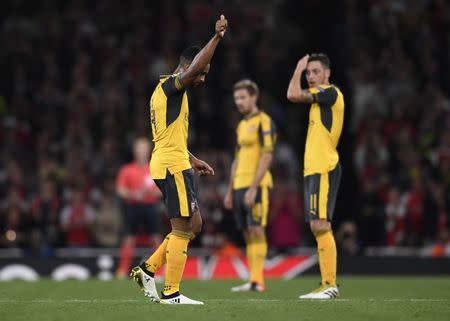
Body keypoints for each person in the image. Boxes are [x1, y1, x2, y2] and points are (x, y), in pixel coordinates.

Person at [129, 15, 228, 305]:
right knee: (182, 229)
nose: (203, 77)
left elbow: (169, 136)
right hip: (171, 165)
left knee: (194, 225)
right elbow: (195, 66)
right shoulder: (172, 85)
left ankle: (147, 270)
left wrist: (193, 158)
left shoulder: (166, 93)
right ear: (187, 67)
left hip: (174, 160)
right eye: (201, 72)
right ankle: (171, 291)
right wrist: (217, 38)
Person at [287, 53, 344, 299]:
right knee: (317, 225)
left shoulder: (330, 93)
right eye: (308, 72)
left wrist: (298, 68)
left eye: (314, 71)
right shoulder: (319, 102)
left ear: (327, 73)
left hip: (323, 168)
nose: (310, 76)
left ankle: (330, 284)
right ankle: (327, 284)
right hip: (314, 169)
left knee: (321, 225)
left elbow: (291, 95)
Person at [224, 79, 276, 292]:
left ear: (254, 97)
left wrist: (254, 187)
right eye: (236, 98)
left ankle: (258, 280)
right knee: (246, 232)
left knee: (256, 230)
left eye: (243, 97)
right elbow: (236, 159)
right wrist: (230, 190)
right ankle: (253, 279)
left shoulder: (264, 121)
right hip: (239, 185)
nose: (239, 102)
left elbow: (267, 155)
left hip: (258, 185)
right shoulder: (241, 125)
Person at [115, 137, 162, 278]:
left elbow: (162, 190)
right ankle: (122, 271)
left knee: (156, 239)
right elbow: (120, 189)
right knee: (128, 238)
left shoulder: (155, 168)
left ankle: (158, 271)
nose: (141, 151)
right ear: (134, 151)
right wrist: (133, 194)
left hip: (150, 205)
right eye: (139, 148)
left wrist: (150, 192)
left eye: (144, 148)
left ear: (149, 151)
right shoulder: (127, 169)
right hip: (133, 206)